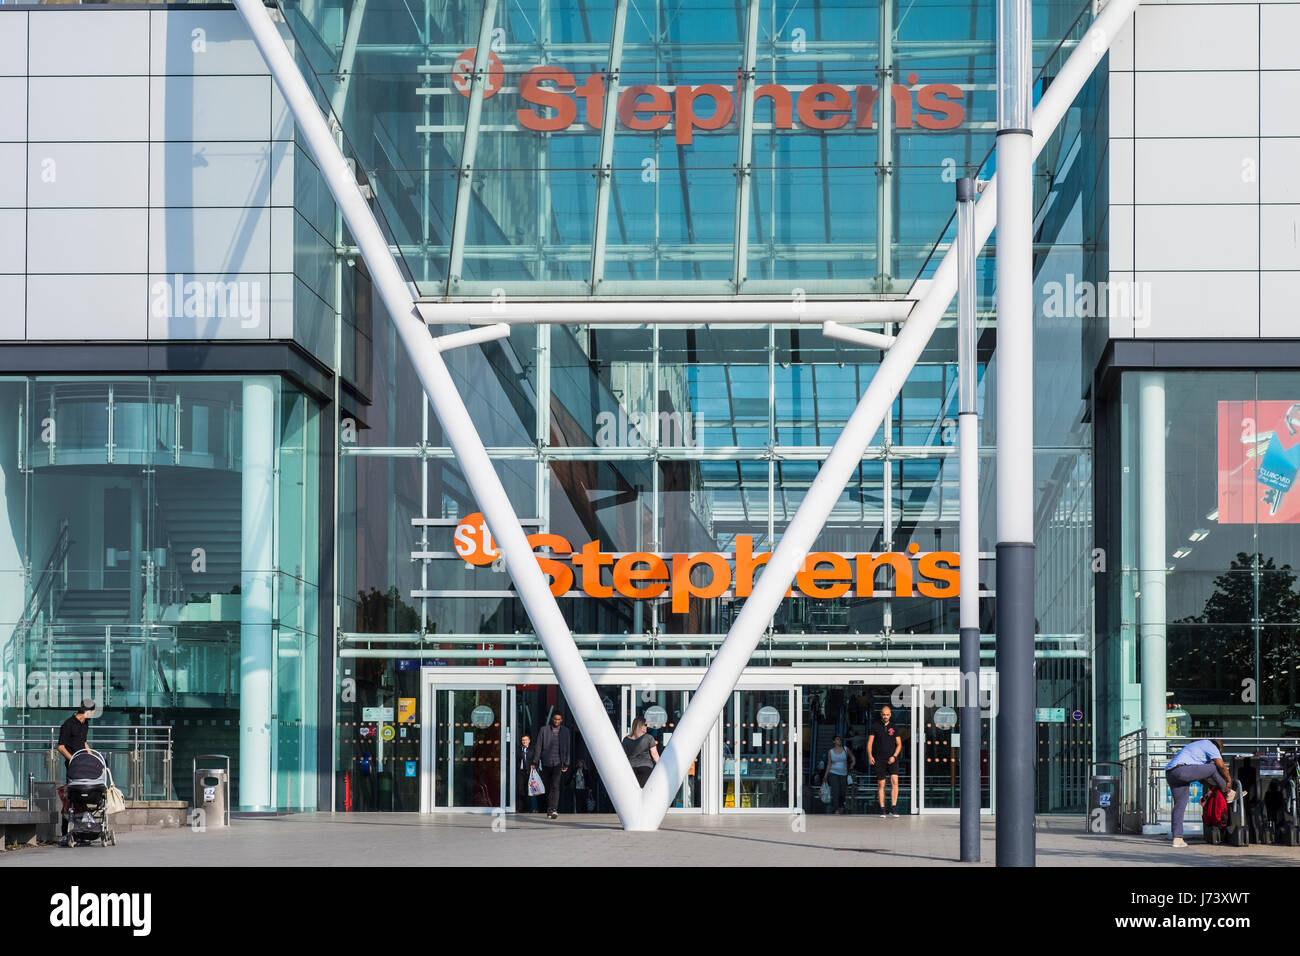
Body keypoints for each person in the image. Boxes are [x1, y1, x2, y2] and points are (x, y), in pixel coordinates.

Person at [1165, 738, 1235, 847]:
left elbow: (1198, 775)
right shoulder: (1211, 746)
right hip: (1181, 770)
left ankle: (1177, 839)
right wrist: (1229, 781)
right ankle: (1229, 793)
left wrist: (1210, 786)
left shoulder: (1198, 747)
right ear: (1220, 748)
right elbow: (1220, 766)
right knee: (1213, 767)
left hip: (1171, 773)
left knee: (1179, 805)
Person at [56, 698, 95, 847]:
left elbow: (83, 742)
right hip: (72, 766)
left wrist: (91, 757)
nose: (93, 714)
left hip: (84, 766)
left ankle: (82, 832)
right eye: (92, 711)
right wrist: (73, 759)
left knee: (83, 798)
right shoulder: (68, 725)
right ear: (87, 711)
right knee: (71, 799)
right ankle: (65, 833)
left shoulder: (85, 723)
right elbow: (61, 747)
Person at [529, 711, 571, 819]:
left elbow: (567, 747)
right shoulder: (544, 730)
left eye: (559, 719)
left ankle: (554, 809)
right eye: (555, 719)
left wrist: (566, 763)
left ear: (561, 720)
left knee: (555, 785)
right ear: (552, 719)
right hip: (546, 762)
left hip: (558, 762)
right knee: (548, 786)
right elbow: (539, 746)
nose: (557, 721)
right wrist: (535, 761)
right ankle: (549, 809)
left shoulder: (565, 731)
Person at [868, 705, 903, 816]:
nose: (885, 716)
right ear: (881, 714)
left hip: (892, 758)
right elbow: (870, 743)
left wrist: (894, 756)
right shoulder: (875, 726)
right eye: (884, 714)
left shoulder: (894, 726)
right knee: (881, 784)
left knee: (894, 781)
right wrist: (870, 756)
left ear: (890, 715)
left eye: (887, 714)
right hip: (879, 759)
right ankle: (882, 809)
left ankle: (893, 808)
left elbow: (899, 744)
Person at [622, 716, 659, 787]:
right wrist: (660, 767)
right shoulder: (649, 738)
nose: (646, 727)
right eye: (645, 725)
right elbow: (654, 755)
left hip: (631, 769)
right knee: (645, 790)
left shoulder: (626, 739)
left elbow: (624, 756)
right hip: (645, 768)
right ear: (641, 726)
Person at [823, 734, 855, 814]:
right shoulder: (830, 752)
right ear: (834, 741)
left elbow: (853, 757)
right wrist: (826, 775)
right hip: (833, 773)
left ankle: (841, 806)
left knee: (842, 792)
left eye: (840, 739)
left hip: (844, 774)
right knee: (835, 791)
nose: (839, 741)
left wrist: (852, 763)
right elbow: (829, 764)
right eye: (837, 739)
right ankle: (836, 808)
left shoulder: (845, 749)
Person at [516, 733, 536, 813]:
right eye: (523, 740)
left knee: (529, 790)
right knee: (520, 790)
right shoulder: (518, 749)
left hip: (529, 772)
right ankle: (520, 808)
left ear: (529, 741)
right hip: (520, 771)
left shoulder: (532, 749)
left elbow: (535, 759)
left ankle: (529, 808)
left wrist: (534, 766)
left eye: (526, 740)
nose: (524, 742)